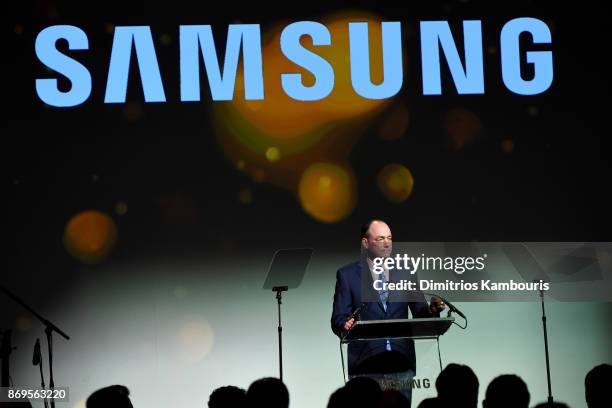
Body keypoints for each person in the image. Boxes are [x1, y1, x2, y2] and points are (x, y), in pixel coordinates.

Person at [331, 220, 445, 406]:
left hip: (401, 363)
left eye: (390, 238)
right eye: (380, 238)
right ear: (365, 243)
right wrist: (345, 324)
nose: (387, 243)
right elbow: (338, 318)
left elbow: (420, 313)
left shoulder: (406, 271)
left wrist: (432, 311)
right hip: (366, 365)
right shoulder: (348, 275)